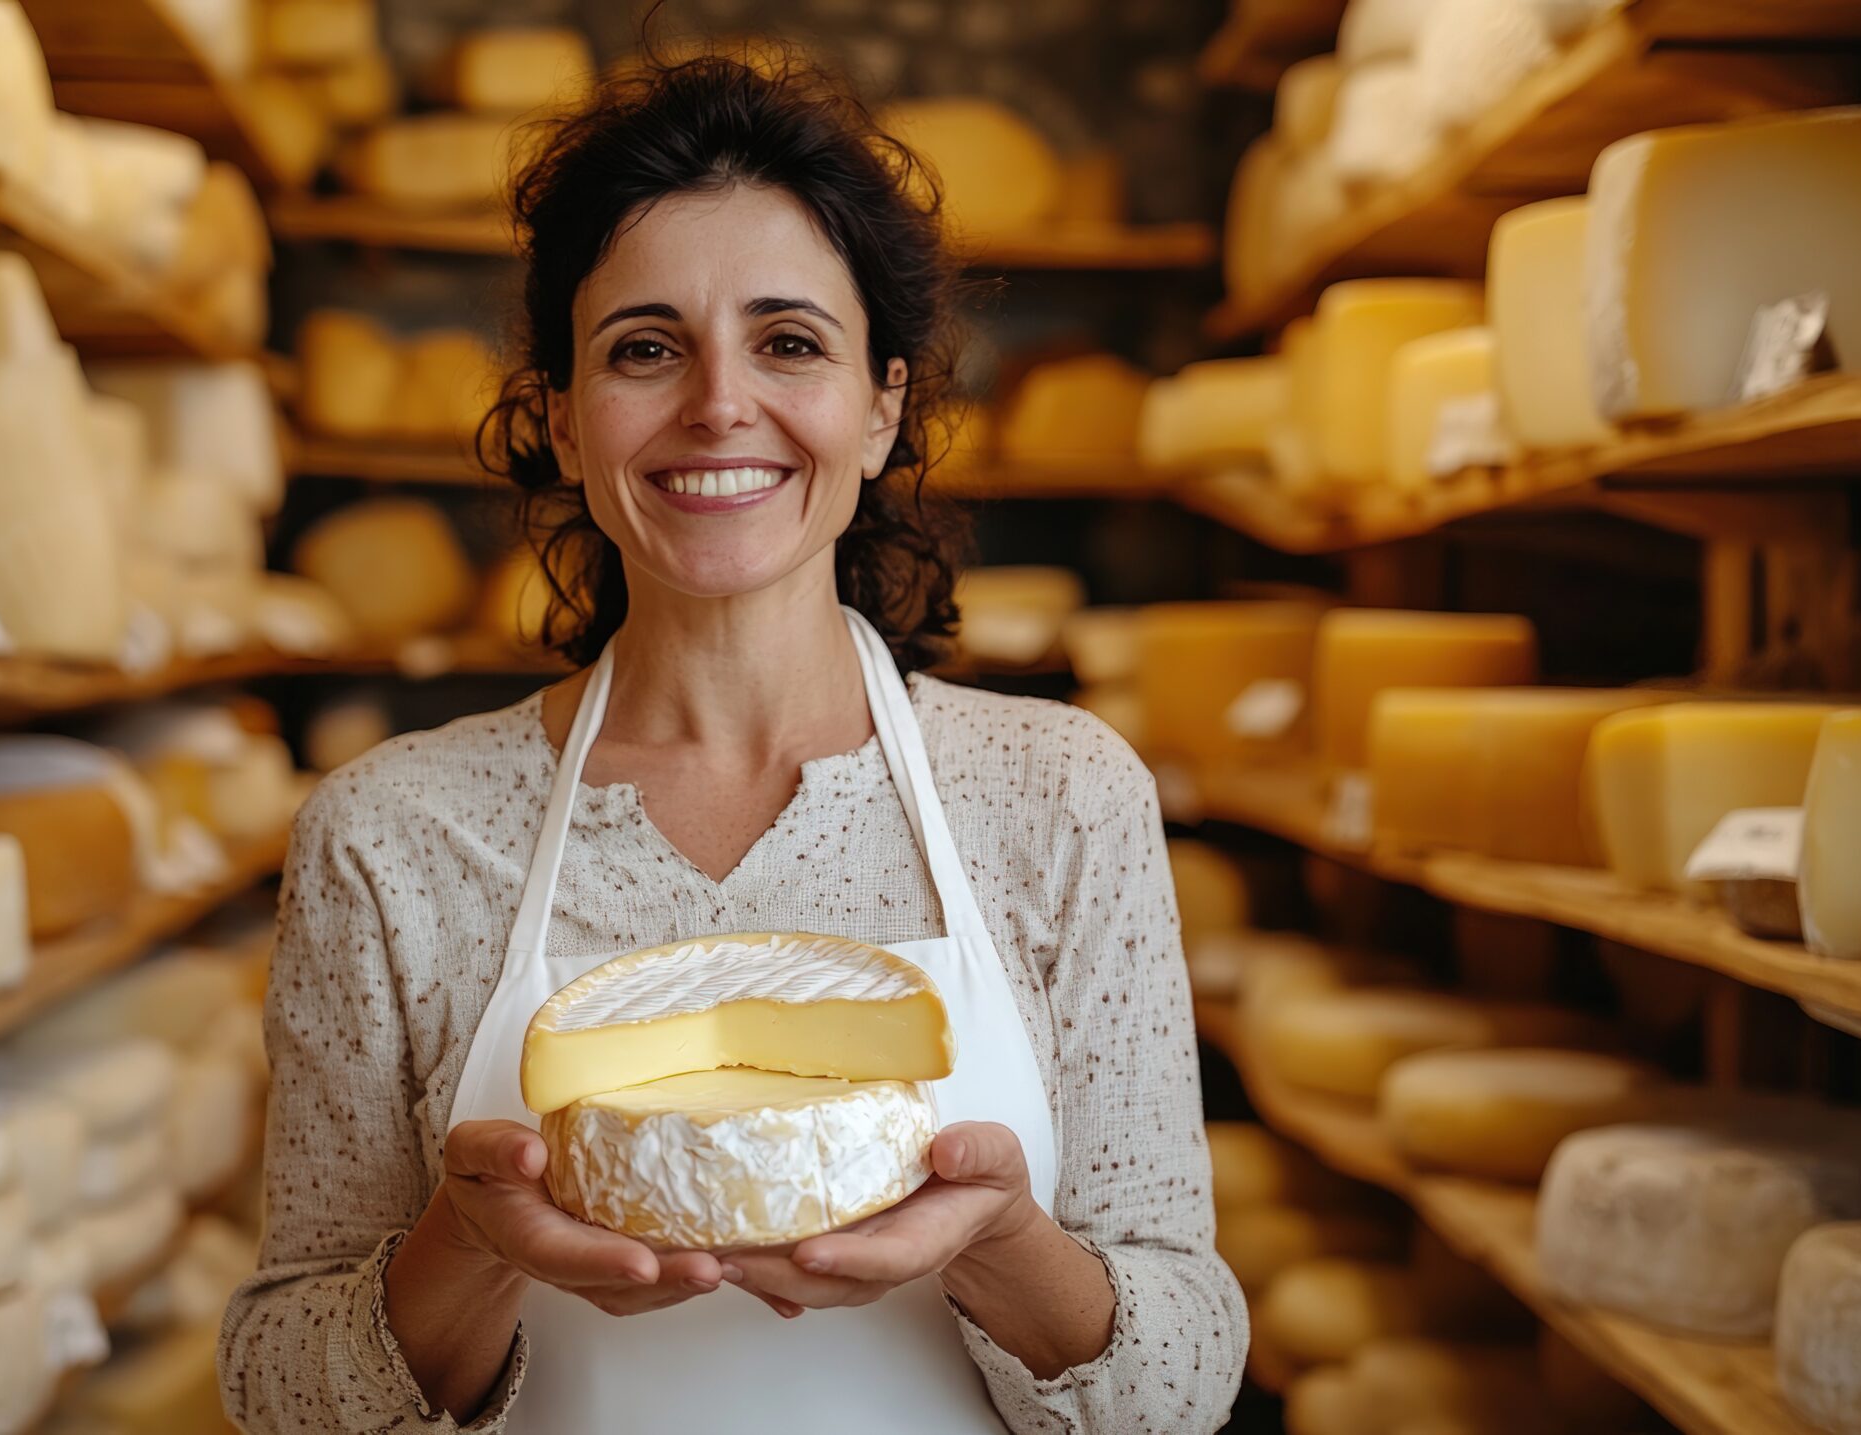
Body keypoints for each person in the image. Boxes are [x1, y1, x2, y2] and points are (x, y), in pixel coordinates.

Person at [220, 53, 1246, 1435]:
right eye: (645, 347)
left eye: (789, 342)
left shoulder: (1058, 797)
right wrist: (477, 1246)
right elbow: (280, 1386)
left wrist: (998, 1238)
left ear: (883, 405)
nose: (718, 404)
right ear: (565, 419)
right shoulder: (390, 834)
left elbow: (1183, 1381)